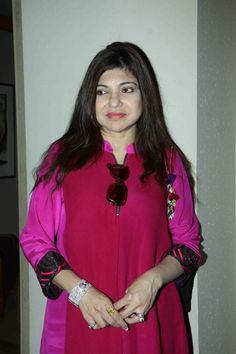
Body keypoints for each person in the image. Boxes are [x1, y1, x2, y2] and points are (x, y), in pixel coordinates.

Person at [20, 42, 202, 354]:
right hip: (82, 316)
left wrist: (154, 280)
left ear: (145, 95)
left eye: (127, 89)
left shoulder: (167, 162)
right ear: (89, 98)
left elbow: (189, 243)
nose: (114, 101)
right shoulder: (62, 158)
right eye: (102, 91)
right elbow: (35, 239)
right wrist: (80, 292)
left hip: (151, 317)